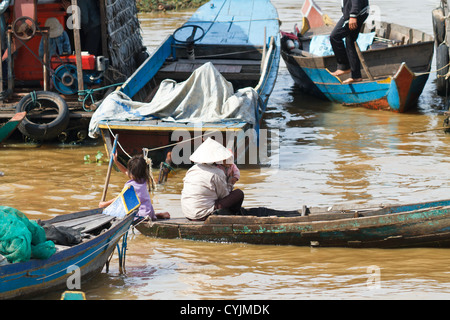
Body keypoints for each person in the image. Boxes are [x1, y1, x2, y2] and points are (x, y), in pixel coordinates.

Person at [181, 138, 244, 221]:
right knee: (239, 193)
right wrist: (230, 182)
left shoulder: (192, 169)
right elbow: (224, 195)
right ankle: (232, 215)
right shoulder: (217, 173)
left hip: (188, 213)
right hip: (203, 215)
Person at [99, 153, 170, 221]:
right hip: (149, 212)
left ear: (132, 173)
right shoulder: (143, 179)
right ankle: (155, 215)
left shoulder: (130, 186)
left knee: (120, 213)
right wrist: (116, 162)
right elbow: (126, 172)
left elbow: (120, 198)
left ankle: (152, 216)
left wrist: (104, 204)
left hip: (141, 216)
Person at [330, 0, 369, 84]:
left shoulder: (354, 14)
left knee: (335, 37)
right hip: (359, 12)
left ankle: (344, 66)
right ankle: (356, 76)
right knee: (350, 41)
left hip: (356, 13)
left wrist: (353, 15)